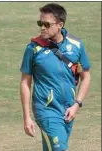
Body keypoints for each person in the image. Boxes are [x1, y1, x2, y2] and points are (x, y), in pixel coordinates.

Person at [20, 3, 91, 151]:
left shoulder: (76, 45)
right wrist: (26, 117)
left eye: (46, 24)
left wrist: (76, 105)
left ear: (60, 25)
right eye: (40, 23)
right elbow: (25, 82)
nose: (42, 28)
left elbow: (86, 76)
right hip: (45, 110)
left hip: (68, 111)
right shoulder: (33, 49)